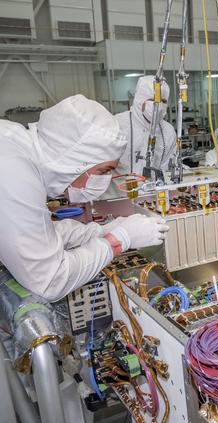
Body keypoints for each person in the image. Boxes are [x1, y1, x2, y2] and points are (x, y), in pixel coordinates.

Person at [0, 95, 169, 301]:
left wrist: (101, 231)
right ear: (74, 161)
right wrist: (120, 239)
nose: (106, 179)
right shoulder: (15, 175)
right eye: (103, 170)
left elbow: (40, 233)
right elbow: (50, 281)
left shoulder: (16, 146)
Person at [105, 75, 177, 198]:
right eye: (153, 100)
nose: (158, 105)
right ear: (139, 99)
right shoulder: (116, 125)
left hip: (151, 199)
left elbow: (167, 171)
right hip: (116, 198)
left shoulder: (168, 131)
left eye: (163, 101)